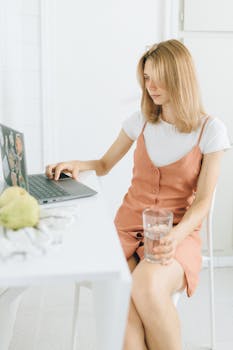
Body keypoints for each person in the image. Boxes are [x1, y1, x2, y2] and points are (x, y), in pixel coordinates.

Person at [46, 39, 231, 350]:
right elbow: (104, 165)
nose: (151, 86)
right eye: (146, 78)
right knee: (120, 296)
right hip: (126, 227)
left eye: (158, 77)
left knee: (144, 286)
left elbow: (202, 203)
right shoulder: (142, 120)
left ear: (180, 77)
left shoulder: (211, 131)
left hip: (177, 234)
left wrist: (175, 235)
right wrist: (77, 164)